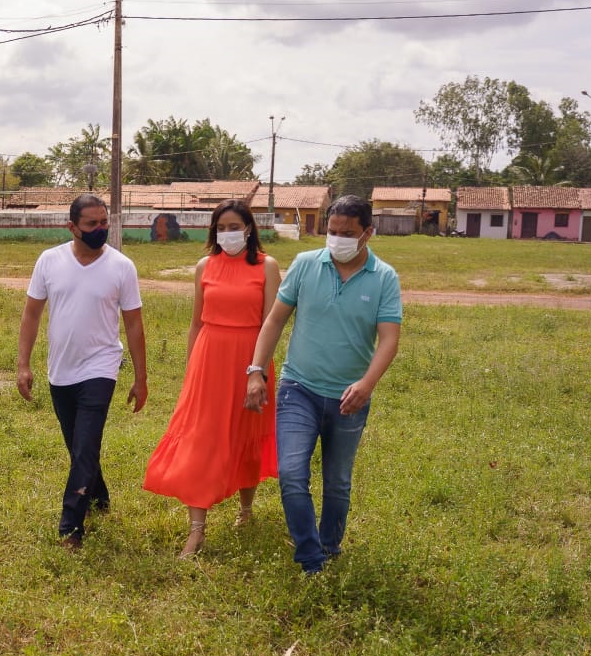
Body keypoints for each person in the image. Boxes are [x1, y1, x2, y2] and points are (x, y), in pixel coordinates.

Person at [246, 194, 402, 574]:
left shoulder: (383, 278)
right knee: (293, 476)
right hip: (299, 388)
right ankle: (311, 558)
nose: (337, 240)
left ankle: (330, 546)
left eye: (347, 233)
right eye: (331, 232)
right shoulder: (304, 265)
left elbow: (389, 339)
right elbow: (275, 320)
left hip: (350, 398)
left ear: (368, 233)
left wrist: (366, 384)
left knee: (337, 483)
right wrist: (256, 370)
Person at [143, 199, 280, 557]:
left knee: (246, 432)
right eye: (221, 228)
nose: (228, 234)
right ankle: (196, 531)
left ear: (249, 229)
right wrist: (192, 369)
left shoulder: (267, 267)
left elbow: (271, 323)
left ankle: (246, 509)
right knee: (201, 440)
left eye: (234, 227)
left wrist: (259, 371)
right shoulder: (204, 266)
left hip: (250, 360)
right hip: (209, 359)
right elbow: (196, 323)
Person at [17, 194, 148, 550]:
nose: (100, 230)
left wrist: (141, 377)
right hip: (61, 370)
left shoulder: (122, 267)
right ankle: (99, 495)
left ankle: (70, 527)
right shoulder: (49, 261)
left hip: (101, 367)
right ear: (72, 227)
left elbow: (134, 325)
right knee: (78, 446)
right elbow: (32, 314)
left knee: (86, 444)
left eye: (104, 222)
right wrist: (23, 364)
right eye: (92, 224)